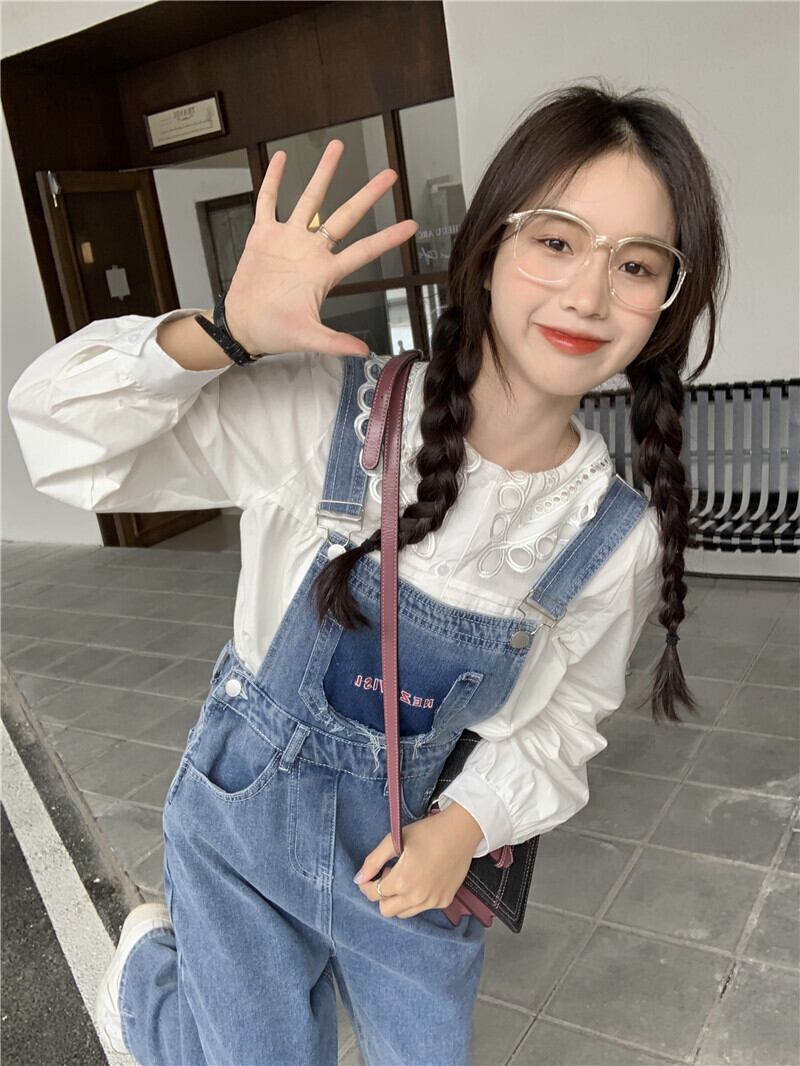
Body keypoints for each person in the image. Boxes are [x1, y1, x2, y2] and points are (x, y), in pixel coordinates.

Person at [7, 78, 730, 1066]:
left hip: (411, 851)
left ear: (667, 302)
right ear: (489, 247)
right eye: (556, 241)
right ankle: (147, 991)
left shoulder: (610, 536)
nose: (588, 294)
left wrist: (463, 827)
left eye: (637, 264)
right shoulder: (332, 415)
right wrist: (222, 334)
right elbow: (62, 444)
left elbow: (562, 725)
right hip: (244, 825)